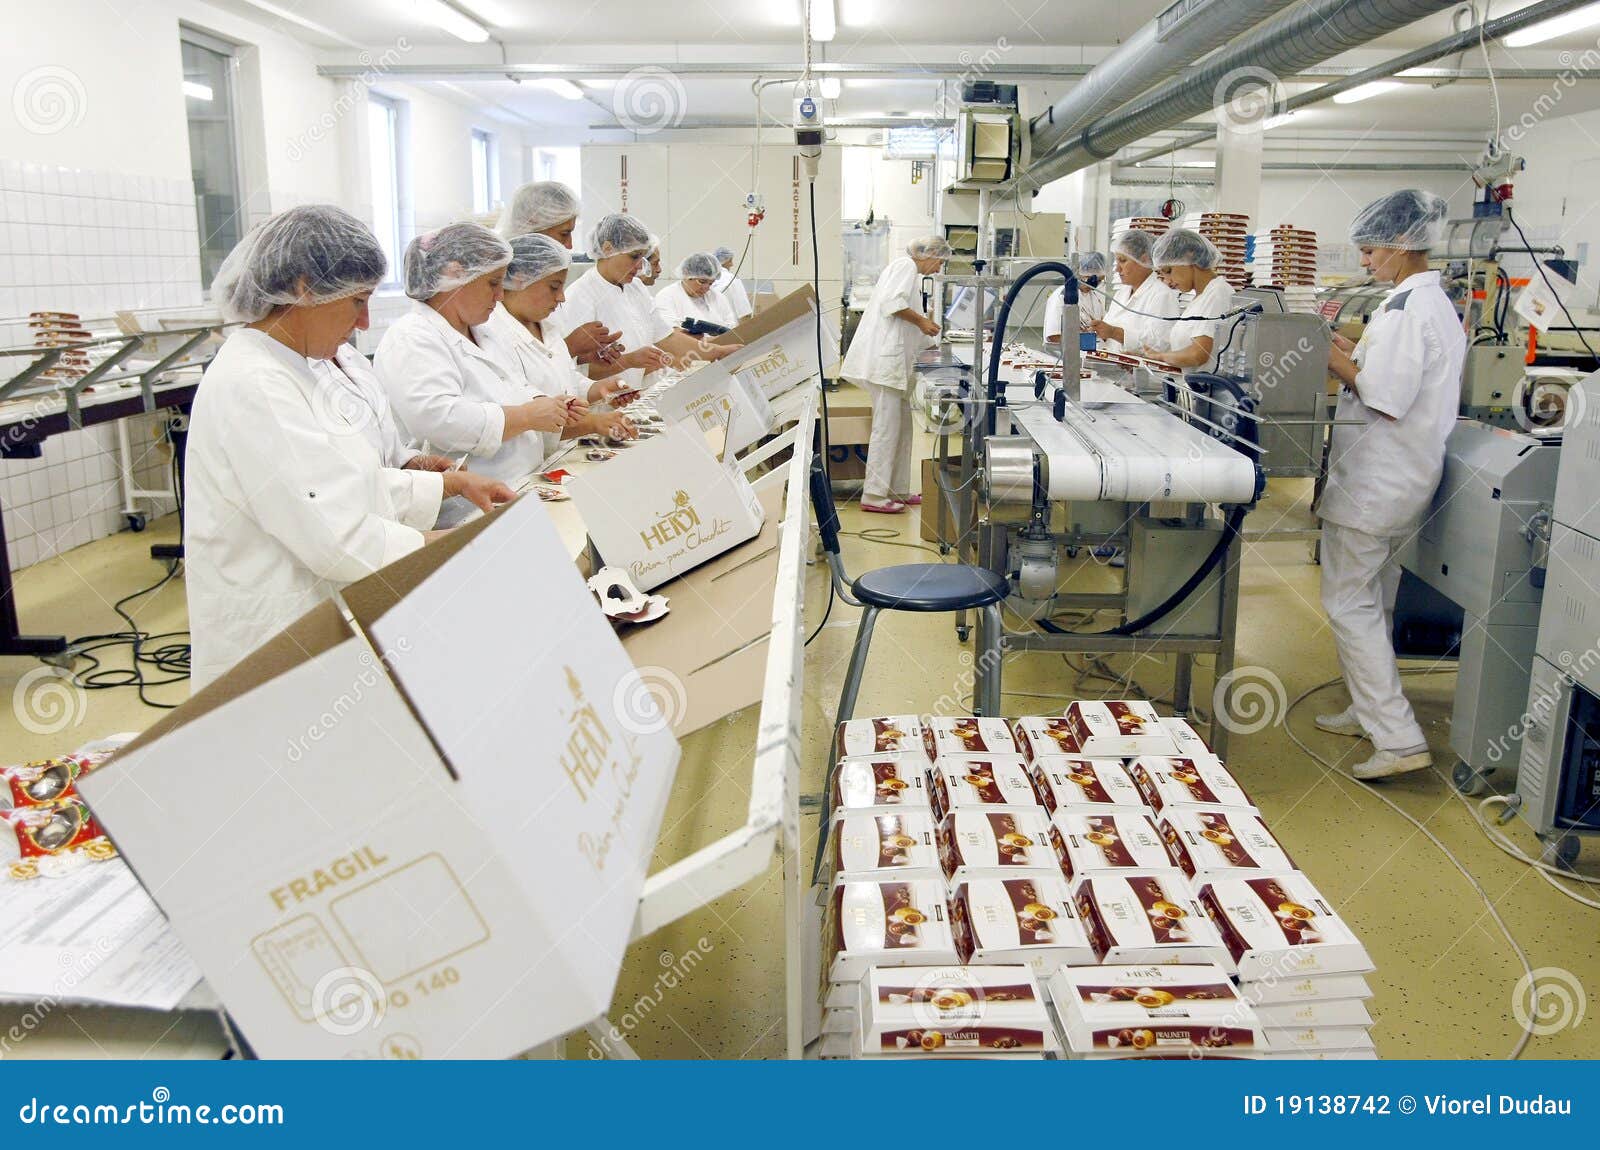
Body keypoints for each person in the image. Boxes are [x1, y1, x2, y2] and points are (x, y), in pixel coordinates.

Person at [186, 206, 514, 689]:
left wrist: (449, 484)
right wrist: (462, 550)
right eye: (357, 301)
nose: (363, 322)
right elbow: (337, 538)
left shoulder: (296, 365)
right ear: (304, 288)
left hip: (320, 611)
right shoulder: (257, 383)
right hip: (277, 631)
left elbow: (346, 481)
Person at [1315, 190, 1464, 781]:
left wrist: (1330, 356)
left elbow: (1388, 397)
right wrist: (1354, 350)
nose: (1366, 260)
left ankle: (1397, 737)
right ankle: (1367, 706)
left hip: (1377, 483)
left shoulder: (1406, 311)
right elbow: (1393, 372)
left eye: (1372, 250)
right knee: (1374, 599)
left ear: (1403, 245)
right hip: (1404, 478)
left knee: (1347, 602)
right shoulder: (1425, 306)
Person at [374, 222, 577, 524]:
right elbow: (438, 418)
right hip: (465, 512)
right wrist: (527, 416)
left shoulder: (484, 331)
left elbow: (515, 383)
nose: (500, 295)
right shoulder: (412, 337)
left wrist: (548, 404)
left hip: (520, 486)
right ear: (455, 276)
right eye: (493, 283)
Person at [554, 213, 740, 397]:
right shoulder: (581, 296)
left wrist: (717, 352)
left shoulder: (635, 287)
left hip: (631, 397)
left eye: (642, 258)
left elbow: (667, 338)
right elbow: (576, 370)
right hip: (599, 408)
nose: (639, 267)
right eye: (634, 257)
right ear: (608, 249)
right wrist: (629, 361)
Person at [839, 235, 951, 514]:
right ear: (927, 254)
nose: (938, 269)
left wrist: (932, 341)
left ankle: (897, 489)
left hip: (897, 366)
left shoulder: (910, 274)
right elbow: (893, 304)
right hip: (886, 365)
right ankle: (874, 495)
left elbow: (910, 324)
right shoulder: (905, 266)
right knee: (887, 429)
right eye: (939, 262)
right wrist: (923, 321)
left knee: (902, 427)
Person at [493, 233, 636, 444]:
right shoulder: (492, 333)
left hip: (550, 457)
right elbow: (527, 416)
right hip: (515, 468)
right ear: (519, 278)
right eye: (553, 287)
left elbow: (566, 379)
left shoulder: (546, 326)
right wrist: (593, 423)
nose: (561, 297)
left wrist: (599, 388)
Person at [496, 179, 619, 367]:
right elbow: (514, 378)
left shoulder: (539, 298)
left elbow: (556, 372)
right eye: (564, 233)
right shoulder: (496, 308)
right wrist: (570, 347)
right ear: (532, 226)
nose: (569, 245)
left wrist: (581, 356)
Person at [1140, 228, 1238, 370]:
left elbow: (1198, 354)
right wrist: (1148, 361)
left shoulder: (1217, 293)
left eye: (1168, 271)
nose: (1167, 281)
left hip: (1209, 390)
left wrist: (1160, 356)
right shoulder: (1200, 297)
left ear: (1190, 256)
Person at [1088, 230, 1181, 354]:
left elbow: (1160, 344)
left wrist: (1114, 333)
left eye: (1123, 260)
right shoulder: (1122, 293)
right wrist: (1101, 332)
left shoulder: (1162, 295)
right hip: (1113, 369)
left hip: (1144, 372)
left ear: (1144, 260)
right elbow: (1110, 333)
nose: (1117, 269)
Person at [654, 251, 740, 332]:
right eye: (702, 282)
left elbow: (731, 328)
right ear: (686, 274)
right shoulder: (667, 297)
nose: (706, 288)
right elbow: (670, 334)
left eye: (711, 283)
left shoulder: (718, 297)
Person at [1044, 251, 1107, 345]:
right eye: (1094, 279)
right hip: (1062, 355)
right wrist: (1085, 343)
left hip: (1089, 353)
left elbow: (1102, 330)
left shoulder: (1095, 297)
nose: (1096, 283)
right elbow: (1053, 336)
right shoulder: (1061, 296)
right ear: (1081, 274)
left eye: (1099, 280)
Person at [713, 245, 754, 319]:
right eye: (730, 261)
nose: (732, 264)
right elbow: (744, 310)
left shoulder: (707, 279)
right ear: (724, 262)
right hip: (730, 327)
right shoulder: (732, 279)